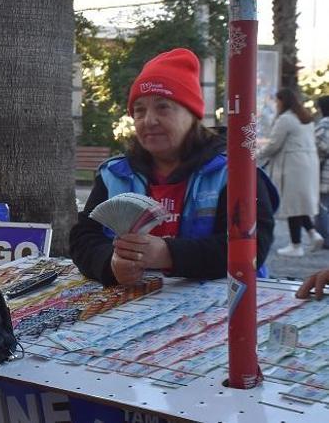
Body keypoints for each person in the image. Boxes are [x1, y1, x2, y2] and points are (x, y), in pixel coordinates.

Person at [70, 48, 278, 286]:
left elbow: (252, 246)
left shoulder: (234, 173)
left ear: (192, 114)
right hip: (138, 307)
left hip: (225, 306)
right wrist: (111, 263)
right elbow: (83, 239)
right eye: (139, 110)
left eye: (163, 107)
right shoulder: (115, 175)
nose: (148, 120)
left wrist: (168, 254)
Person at [258, 88, 322, 256]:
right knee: (300, 203)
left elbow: (274, 145)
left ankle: (296, 245)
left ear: (283, 101)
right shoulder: (305, 118)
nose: (276, 104)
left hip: (293, 165)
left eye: (277, 100)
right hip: (308, 163)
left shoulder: (285, 119)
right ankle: (313, 234)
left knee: (293, 204)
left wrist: (255, 156)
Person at [316, 95, 329, 245]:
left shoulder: (325, 123)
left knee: (322, 205)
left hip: (325, 169)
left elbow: (319, 144)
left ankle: (326, 237)